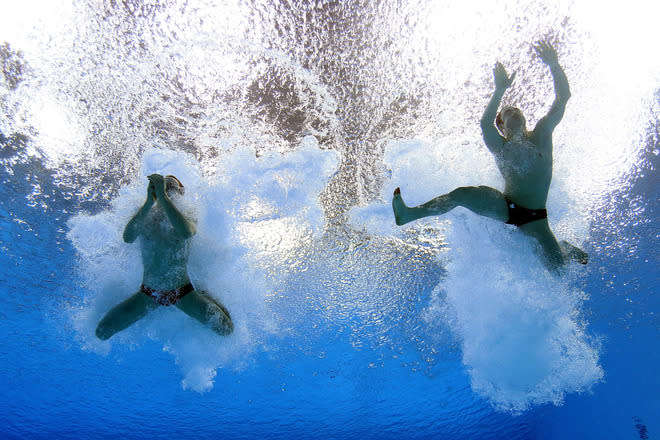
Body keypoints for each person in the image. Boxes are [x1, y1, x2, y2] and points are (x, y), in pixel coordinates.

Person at [392, 41, 587, 271]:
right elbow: (485, 123)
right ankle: (409, 214)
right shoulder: (500, 145)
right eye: (506, 113)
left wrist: (554, 64)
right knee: (462, 194)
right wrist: (500, 90)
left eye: (516, 110)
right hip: (505, 206)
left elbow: (563, 97)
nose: (512, 111)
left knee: (559, 270)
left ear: (525, 119)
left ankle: (564, 249)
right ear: (503, 127)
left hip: (536, 219)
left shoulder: (542, 133)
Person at [96, 173, 233, 340]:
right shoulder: (145, 215)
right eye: (162, 187)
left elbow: (187, 232)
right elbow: (128, 237)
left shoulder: (187, 214)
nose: (166, 190)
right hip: (149, 293)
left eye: (170, 188)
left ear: (181, 193)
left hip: (182, 292)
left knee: (226, 329)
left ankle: (205, 294)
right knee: (102, 332)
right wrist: (148, 202)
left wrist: (163, 197)